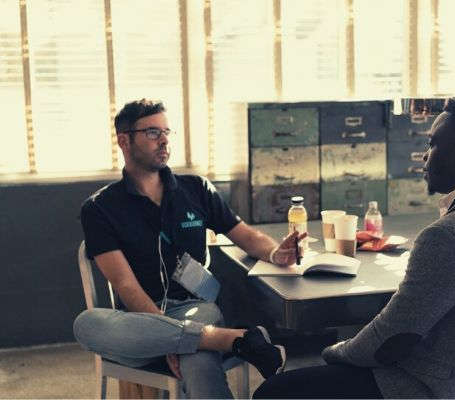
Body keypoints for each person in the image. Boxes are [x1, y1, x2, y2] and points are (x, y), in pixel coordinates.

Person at [253, 95, 455, 399]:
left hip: (431, 390)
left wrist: (334, 353)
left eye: (433, 144)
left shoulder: (449, 236)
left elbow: (391, 342)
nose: (424, 156)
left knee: (274, 391)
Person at [73, 99, 306, 399]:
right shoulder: (100, 208)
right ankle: (237, 339)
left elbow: (245, 235)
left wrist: (277, 253)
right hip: (140, 324)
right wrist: (168, 336)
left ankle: (209, 339)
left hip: (197, 308)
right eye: (153, 132)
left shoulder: (196, 188)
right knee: (87, 324)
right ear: (124, 140)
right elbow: (125, 285)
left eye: (166, 131)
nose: (165, 140)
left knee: (196, 355)